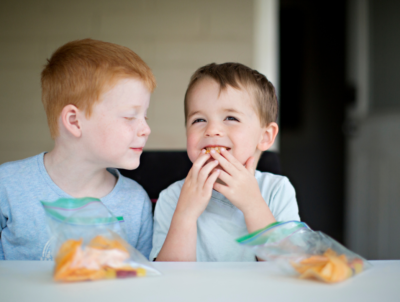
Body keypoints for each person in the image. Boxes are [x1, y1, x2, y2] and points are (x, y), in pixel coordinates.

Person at [0, 39, 156, 260]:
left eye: (145, 116)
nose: (146, 129)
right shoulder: (7, 186)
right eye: (130, 117)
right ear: (74, 121)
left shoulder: (135, 202)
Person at [150, 63, 300, 262]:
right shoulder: (172, 198)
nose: (212, 130)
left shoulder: (277, 190)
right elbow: (168, 280)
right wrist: (185, 215)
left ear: (265, 136)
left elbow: (289, 268)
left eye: (230, 118)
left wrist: (253, 205)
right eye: (199, 120)